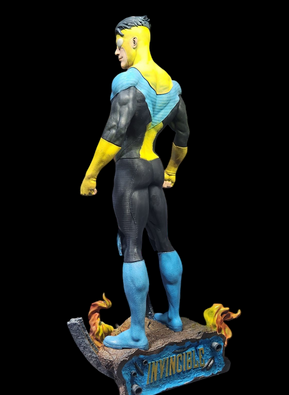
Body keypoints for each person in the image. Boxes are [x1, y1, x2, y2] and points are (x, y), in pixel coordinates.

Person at [80, 16, 190, 350]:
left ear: (135, 41)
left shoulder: (127, 82)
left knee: (132, 248)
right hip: (155, 167)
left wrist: (91, 174)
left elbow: (114, 133)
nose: (116, 52)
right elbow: (183, 136)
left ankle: (138, 334)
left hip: (130, 169)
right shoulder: (171, 86)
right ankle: (174, 317)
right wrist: (171, 170)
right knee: (164, 242)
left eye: (119, 45)